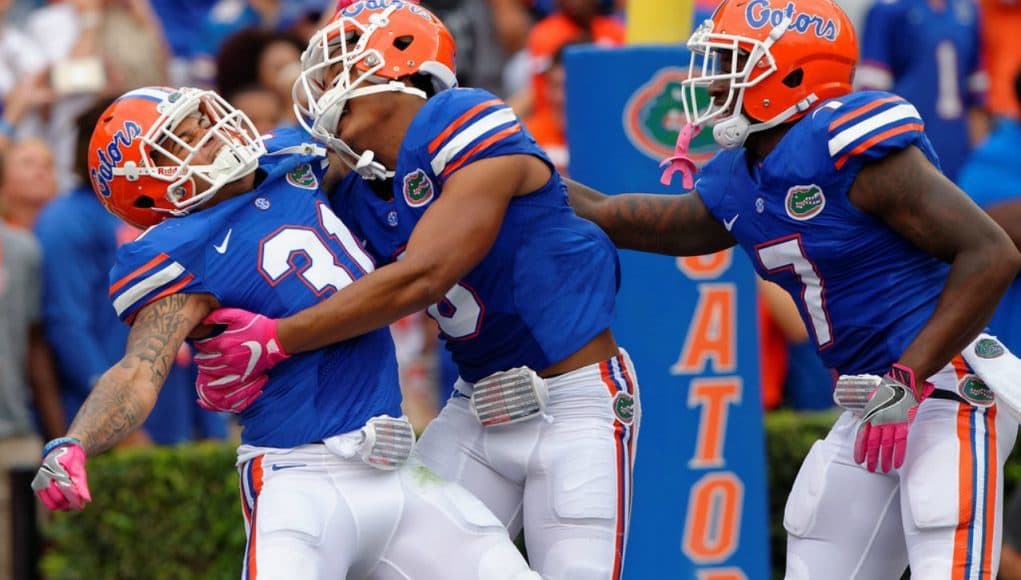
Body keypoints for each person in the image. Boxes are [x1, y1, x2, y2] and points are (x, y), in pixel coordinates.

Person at [563, 0, 1021, 577]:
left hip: (945, 386)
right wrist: (519, 169)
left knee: (945, 553)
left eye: (733, 61)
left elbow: (991, 253)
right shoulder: (740, 176)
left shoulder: (850, 148)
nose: (715, 78)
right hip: (870, 400)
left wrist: (909, 375)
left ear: (794, 73)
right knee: (818, 555)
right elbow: (623, 216)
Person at [192, 3, 640, 578]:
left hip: (575, 404)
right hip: (474, 408)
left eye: (340, 66)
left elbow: (424, 274)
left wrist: (276, 340)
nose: (325, 86)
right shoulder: (357, 193)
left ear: (399, 63)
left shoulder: (462, 115)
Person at [30, 85, 539, 580]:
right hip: (299, 479)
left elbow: (375, 158)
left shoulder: (290, 159)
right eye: (184, 136)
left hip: (396, 467)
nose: (215, 132)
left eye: (203, 119)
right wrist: (75, 441)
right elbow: (139, 369)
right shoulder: (178, 251)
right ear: (149, 182)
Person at [34, 98, 226, 445]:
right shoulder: (67, 220)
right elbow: (67, 323)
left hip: (178, 409)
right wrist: (115, 420)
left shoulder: (172, 210)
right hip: (112, 421)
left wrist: (210, 420)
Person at [856, 0, 987, 182]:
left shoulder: (968, 9)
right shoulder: (887, 9)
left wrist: (980, 156)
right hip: (909, 144)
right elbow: (871, 99)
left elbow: (977, 99)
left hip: (958, 142)